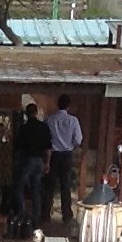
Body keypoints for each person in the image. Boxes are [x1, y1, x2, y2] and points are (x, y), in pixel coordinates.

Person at [45, 95, 85, 231]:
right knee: (65, 185)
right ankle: (66, 215)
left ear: (57, 104)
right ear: (68, 105)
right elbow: (78, 139)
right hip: (67, 154)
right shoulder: (73, 120)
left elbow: (46, 138)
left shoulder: (50, 119)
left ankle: (45, 214)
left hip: (53, 154)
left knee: (49, 186)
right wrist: (71, 145)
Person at [10, 99, 47, 237]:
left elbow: (17, 146)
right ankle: (36, 219)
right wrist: (47, 162)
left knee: (18, 187)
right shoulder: (43, 127)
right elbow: (48, 147)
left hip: (26, 160)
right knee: (36, 190)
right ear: (36, 113)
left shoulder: (24, 128)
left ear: (26, 113)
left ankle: (23, 213)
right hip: (39, 160)